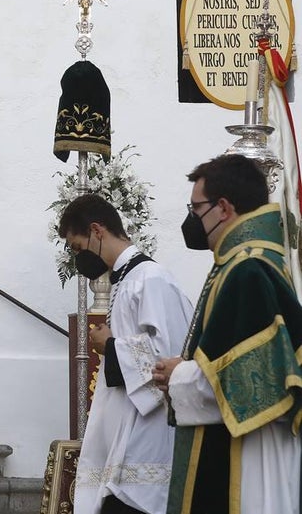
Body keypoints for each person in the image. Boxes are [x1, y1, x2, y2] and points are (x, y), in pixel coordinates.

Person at [153, 154, 302, 514]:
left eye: (195, 208)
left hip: (250, 455)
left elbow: (256, 385)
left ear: (222, 208)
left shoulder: (247, 269)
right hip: (248, 443)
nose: (192, 219)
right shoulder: (249, 261)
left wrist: (179, 376)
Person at [58, 194, 193, 514]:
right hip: (126, 423)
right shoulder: (128, 279)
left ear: (97, 230)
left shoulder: (151, 279)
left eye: (78, 247)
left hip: (147, 433)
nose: (79, 257)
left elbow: (171, 358)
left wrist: (111, 346)